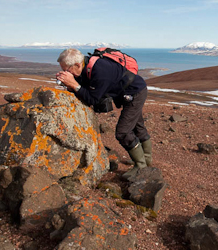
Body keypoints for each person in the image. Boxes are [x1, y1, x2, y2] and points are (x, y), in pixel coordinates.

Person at [56, 48, 152, 176]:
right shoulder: (85, 68)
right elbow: (86, 89)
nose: (65, 72)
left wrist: (74, 85)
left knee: (123, 132)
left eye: (66, 70)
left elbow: (93, 99)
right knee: (137, 125)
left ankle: (141, 167)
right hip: (128, 92)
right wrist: (72, 84)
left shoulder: (101, 70)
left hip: (135, 93)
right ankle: (146, 160)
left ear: (78, 64)